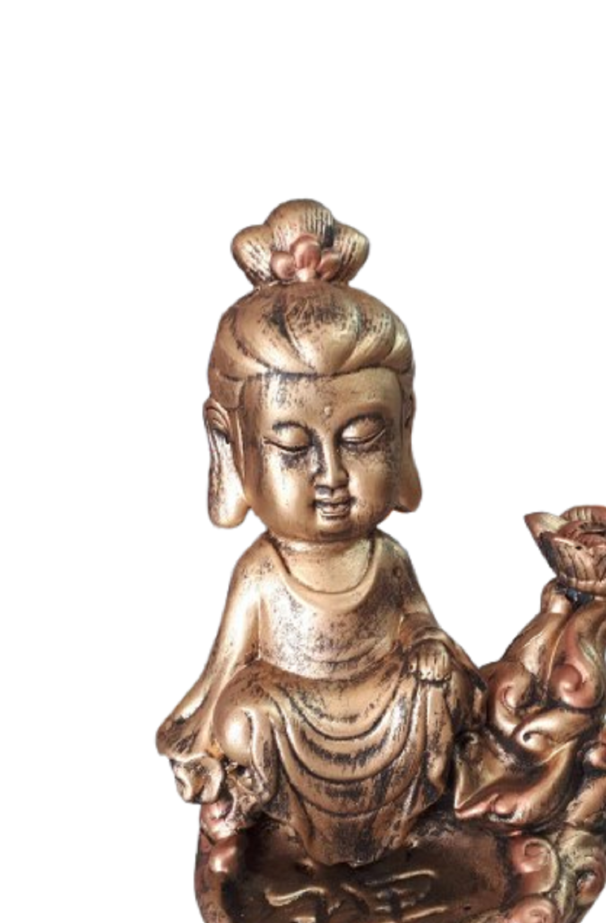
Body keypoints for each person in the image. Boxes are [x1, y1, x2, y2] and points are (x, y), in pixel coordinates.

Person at [157, 201, 480, 866]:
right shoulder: (261, 573)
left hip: (385, 708)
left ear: (404, 430)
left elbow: (421, 626)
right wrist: (208, 737)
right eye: (292, 446)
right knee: (244, 714)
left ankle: (413, 823)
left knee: (442, 686)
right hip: (292, 715)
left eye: (361, 438)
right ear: (231, 446)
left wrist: (426, 648)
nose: (331, 475)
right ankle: (270, 827)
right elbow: (227, 672)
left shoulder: (386, 558)